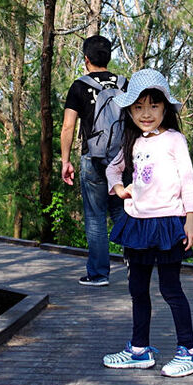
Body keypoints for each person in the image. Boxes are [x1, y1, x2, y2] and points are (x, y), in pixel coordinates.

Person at [101, 69, 193, 377]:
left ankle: (189, 351)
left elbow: (189, 182)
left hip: (168, 223)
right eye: (138, 107)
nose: (146, 113)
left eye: (154, 105)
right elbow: (113, 170)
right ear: (130, 110)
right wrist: (121, 190)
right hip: (138, 224)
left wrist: (190, 220)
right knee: (137, 288)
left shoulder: (174, 140)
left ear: (165, 108)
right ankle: (139, 350)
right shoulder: (132, 141)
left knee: (171, 289)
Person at [60, 35, 124, 287]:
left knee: (96, 217)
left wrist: (65, 161)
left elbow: (68, 126)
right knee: (122, 213)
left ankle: (99, 274)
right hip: (121, 160)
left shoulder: (79, 86)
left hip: (92, 158)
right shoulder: (123, 84)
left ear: (86, 59)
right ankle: (135, 267)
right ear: (108, 58)